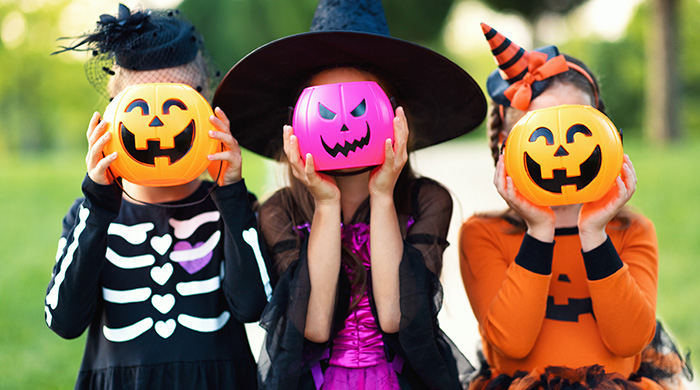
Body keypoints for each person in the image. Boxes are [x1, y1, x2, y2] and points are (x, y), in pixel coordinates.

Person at [212, 1, 486, 388]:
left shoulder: (426, 200)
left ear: (394, 115)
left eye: (360, 107)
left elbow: (395, 317)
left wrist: (384, 195)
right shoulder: (281, 211)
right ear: (299, 121)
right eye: (324, 109)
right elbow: (315, 325)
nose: (343, 123)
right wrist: (325, 203)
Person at [44, 4, 272, 389]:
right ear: (112, 118)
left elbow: (254, 307)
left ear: (205, 109)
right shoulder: (92, 214)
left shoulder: (229, 206)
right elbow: (64, 321)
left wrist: (231, 193)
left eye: (175, 105)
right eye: (138, 108)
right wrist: (98, 203)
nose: (157, 124)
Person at [459, 23, 692, 390]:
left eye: (577, 129)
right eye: (539, 134)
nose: (559, 151)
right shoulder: (483, 234)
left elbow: (630, 339)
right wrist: (538, 231)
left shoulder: (632, 231)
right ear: (507, 145)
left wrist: (594, 233)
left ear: (605, 133)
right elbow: (512, 343)